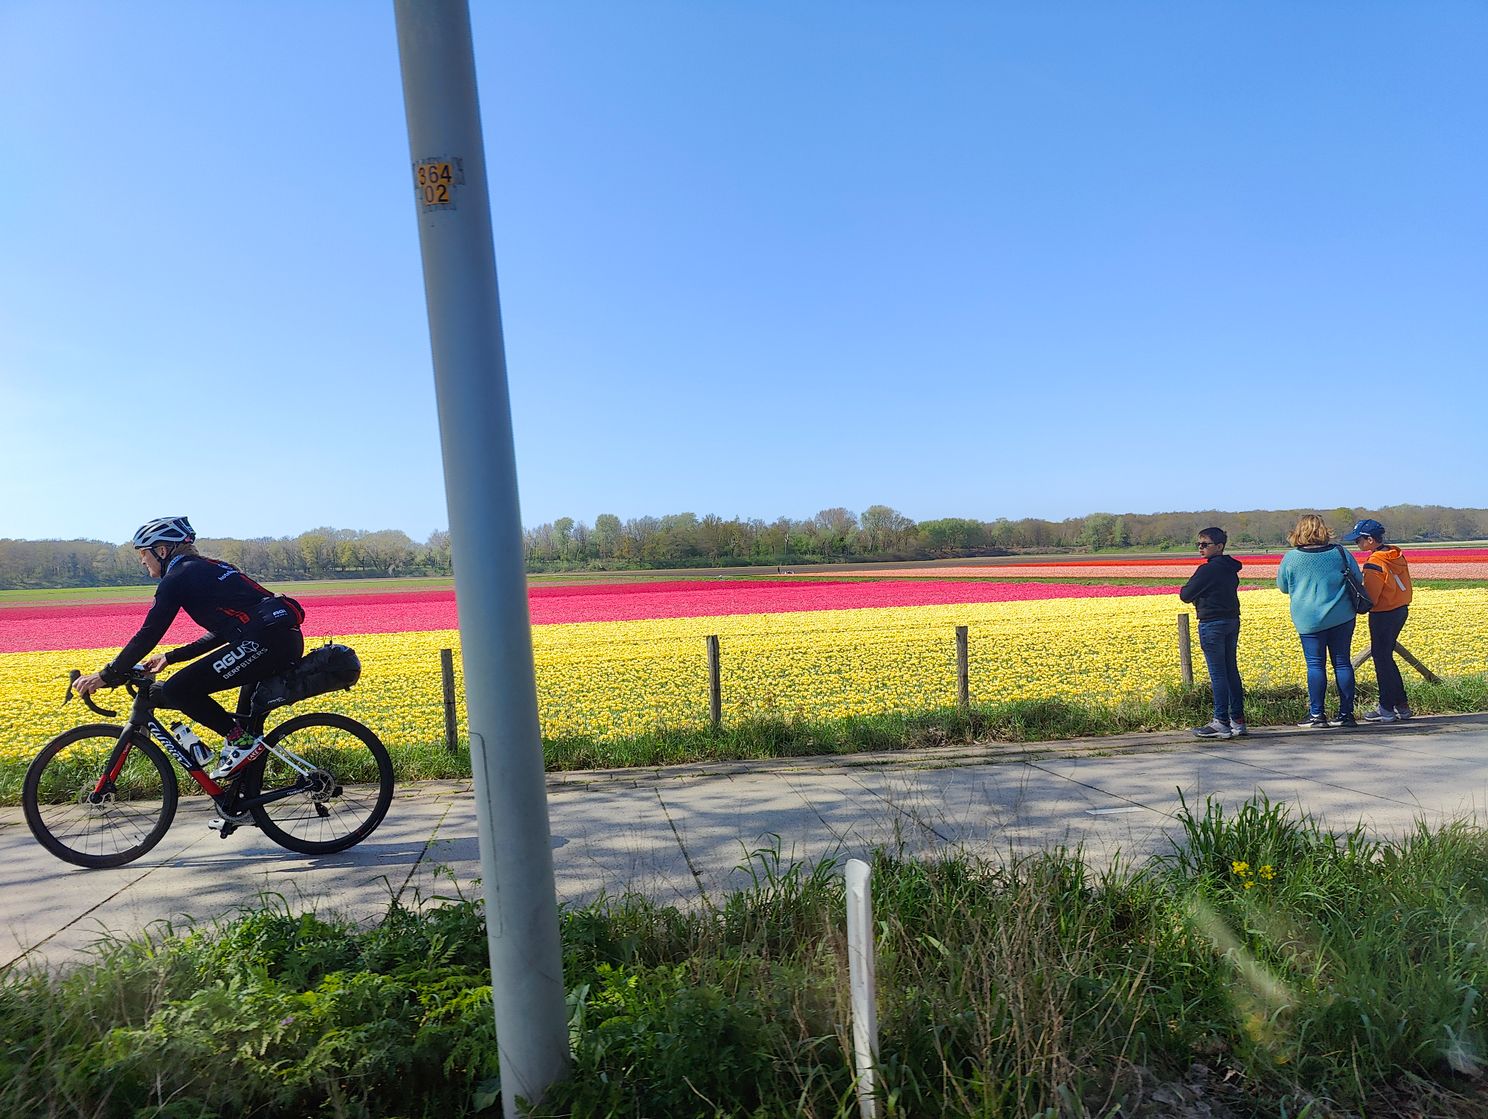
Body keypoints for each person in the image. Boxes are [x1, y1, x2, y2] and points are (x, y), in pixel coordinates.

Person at [71, 517, 305, 778]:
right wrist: (170, 657)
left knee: (178, 689)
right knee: (242, 730)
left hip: (263, 645)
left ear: (161, 551)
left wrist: (106, 675)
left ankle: (242, 744)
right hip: (277, 641)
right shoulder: (212, 567)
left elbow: (148, 634)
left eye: (143, 553)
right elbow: (227, 630)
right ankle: (239, 805)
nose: (141, 560)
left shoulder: (177, 577)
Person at [1276, 514, 1363, 728]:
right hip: (1342, 615)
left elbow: (1283, 587)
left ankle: (1317, 715)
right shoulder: (1340, 552)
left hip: (1309, 618)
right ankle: (1346, 715)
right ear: (1325, 530)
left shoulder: (1292, 557)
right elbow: (1358, 580)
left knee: (1315, 665)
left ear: (1298, 532)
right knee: (1342, 663)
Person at [1341, 517, 1414, 722]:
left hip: (1383, 613)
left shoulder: (1374, 562)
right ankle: (1402, 705)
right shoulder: (1394, 553)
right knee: (1386, 658)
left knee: (1381, 661)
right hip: (1400, 609)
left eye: (1358, 540)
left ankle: (1386, 708)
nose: (1357, 544)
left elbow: (1370, 598)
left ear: (1370, 540)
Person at [1179, 527, 1246, 739]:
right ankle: (1238, 719)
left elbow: (1186, 594)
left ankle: (1221, 722)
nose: (1200, 548)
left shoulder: (1207, 570)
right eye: (1198, 544)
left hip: (1212, 623)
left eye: (1205, 544)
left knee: (1218, 673)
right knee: (1231, 670)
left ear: (1219, 546)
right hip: (1232, 620)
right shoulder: (1230, 567)